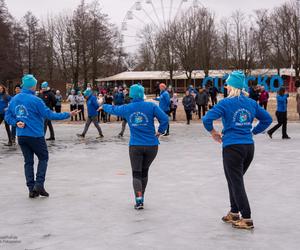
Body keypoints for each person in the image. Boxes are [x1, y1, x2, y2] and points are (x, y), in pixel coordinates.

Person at [202, 71, 272, 230]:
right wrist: (252, 131)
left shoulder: (225, 103)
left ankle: (246, 218)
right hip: (248, 148)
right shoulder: (251, 103)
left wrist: (213, 132)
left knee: (236, 182)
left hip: (232, 148)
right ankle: (234, 213)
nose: (225, 86)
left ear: (232, 86)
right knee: (233, 180)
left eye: (227, 83)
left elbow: (207, 119)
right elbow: (267, 119)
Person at [5, 75, 79, 198]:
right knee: (43, 157)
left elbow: (8, 116)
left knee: (28, 162)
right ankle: (38, 185)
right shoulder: (36, 100)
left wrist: (16, 123)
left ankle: (32, 189)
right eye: (35, 85)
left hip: (22, 136)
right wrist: (68, 114)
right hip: (35, 136)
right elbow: (49, 115)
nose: (36, 87)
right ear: (32, 86)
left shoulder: (14, 99)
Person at [102, 84, 169, 210]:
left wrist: (103, 105)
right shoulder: (151, 106)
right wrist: (160, 131)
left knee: (136, 174)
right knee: (144, 172)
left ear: (131, 95)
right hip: (152, 146)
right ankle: (142, 196)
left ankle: (139, 200)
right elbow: (165, 119)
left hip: (136, 146)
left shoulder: (128, 108)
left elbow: (113, 109)